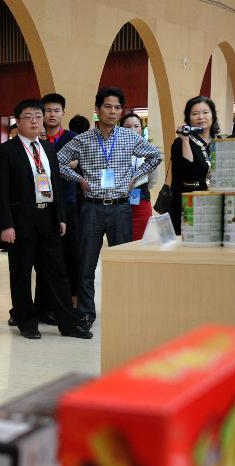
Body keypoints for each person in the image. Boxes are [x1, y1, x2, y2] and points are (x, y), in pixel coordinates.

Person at [57, 87, 161, 330]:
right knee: (86, 264)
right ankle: (85, 314)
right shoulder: (82, 140)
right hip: (91, 208)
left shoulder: (129, 136)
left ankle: (120, 309)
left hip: (121, 208)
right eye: (107, 107)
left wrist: (135, 177)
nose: (113, 112)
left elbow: (155, 156)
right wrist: (78, 179)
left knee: (120, 262)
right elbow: (57, 162)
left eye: (117, 108)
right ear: (97, 109)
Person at [0, 99, 93, 341]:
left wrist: (60, 216)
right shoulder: (6, 151)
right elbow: (0, 191)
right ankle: (26, 321)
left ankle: (68, 323)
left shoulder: (47, 148)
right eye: (29, 116)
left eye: (38, 116)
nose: (36, 120)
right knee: (21, 273)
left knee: (57, 272)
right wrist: (5, 224)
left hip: (48, 218)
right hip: (20, 221)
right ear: (18, 121)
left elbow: (55, 183)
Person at [36, 93, 80, 319]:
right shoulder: (36, 138)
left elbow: (76, 164)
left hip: (68, 204)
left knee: (69, 256)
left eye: (56, 111)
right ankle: (44, 307)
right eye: (47, 111)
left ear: (63, 113)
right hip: (43, 205)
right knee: (44, 259)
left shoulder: (72, 138)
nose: (51, 115)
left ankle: (69, 306)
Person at [169, 96, 218, 235]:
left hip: (214, 204)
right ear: (189, 118)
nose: (201, 117)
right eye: (195, 114)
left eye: (205, 112)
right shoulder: (180, 143)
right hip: (188, 204)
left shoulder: (219, 141)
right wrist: (185, 140)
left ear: (213, 115)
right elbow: (188, 172)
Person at [120, 111, 160, 240]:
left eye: (136, 126)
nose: (132, 129)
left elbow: (153, 178)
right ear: (121, 129)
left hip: (140, 198)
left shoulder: (148, 150)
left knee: (140, 238)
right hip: (119, 200)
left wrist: (138, 183)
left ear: (141, 129)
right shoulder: (114, 149)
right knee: (121, 239)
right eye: (128, 126)